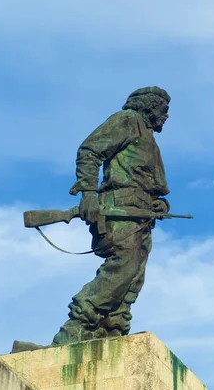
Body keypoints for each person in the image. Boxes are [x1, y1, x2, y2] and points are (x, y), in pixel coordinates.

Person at [50, 86, 172, 345]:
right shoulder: (127, 121)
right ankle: (73, 330)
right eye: (164, 110)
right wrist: (89, 195)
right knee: (122, 268)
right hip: (118, 212)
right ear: (150, 106)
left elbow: (143, 180)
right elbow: (90, 151)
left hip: (140, 217)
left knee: (134, 277)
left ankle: (110, 329)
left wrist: (156, 204)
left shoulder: (147, 137)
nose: (166, 116)